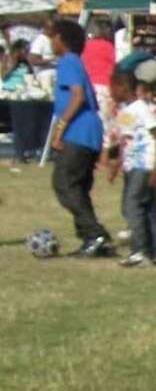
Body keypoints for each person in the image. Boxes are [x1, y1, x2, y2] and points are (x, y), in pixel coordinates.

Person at [47, 19, 113, 257]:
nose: (50, 42)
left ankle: (95, 233)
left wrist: (60, 129)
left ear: (62, 40)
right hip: (90, 131)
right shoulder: (74, 62)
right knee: (79, 187)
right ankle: (93, 240)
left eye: (52, 37)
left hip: (79, 132)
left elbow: (78, 96)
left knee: (64, 184)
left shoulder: (68, 62)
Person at [104, 68, 156, 267]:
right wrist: (117, 165)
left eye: (113, 88)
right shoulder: (126, 112)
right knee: (148, 209)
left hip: (143, 167)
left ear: (123, 87)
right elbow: (126, 141)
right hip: (132, 166)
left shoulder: (141, 109)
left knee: (132, 208)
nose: (111, 93)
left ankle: (140, 251)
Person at [4, 37, 55, 163]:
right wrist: (14, 62)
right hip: (8, 93)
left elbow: (32, 76)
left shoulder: (27, 64)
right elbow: (4, 75)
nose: (27, 53)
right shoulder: (9, 60)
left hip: (25, 94)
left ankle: (33, 148)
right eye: (25, 51)